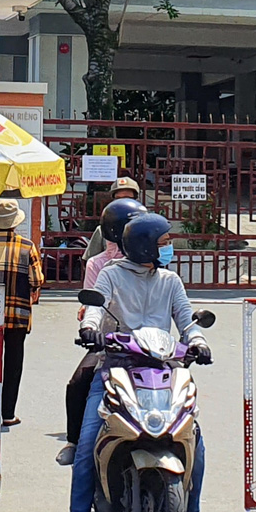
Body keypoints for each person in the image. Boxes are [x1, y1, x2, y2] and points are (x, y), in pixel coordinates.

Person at [62, 211, 211, 512]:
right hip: (116, 366)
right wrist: (91, 328)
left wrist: (199, 341)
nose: (169, 248)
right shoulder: (112, 276)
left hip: (164, 368)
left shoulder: (170, 281)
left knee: (194, 441)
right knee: (87, 445)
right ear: (145, 246)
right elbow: (96, 309)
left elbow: (187, 319)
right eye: (164, 242)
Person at [61, 195, 146, 463]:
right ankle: (74, 442)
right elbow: (93, 304)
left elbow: (177, 310)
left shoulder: (155, 265)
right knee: (77, 384)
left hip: (151, 347)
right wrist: (91, 327)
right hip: (111, 344)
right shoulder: (101, 266)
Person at [0, 194, 43, 433]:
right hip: (18, 315)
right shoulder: (27, 246)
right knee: (14, 361)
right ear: (16, 222)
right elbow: (37, 280)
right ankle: (7, 414)